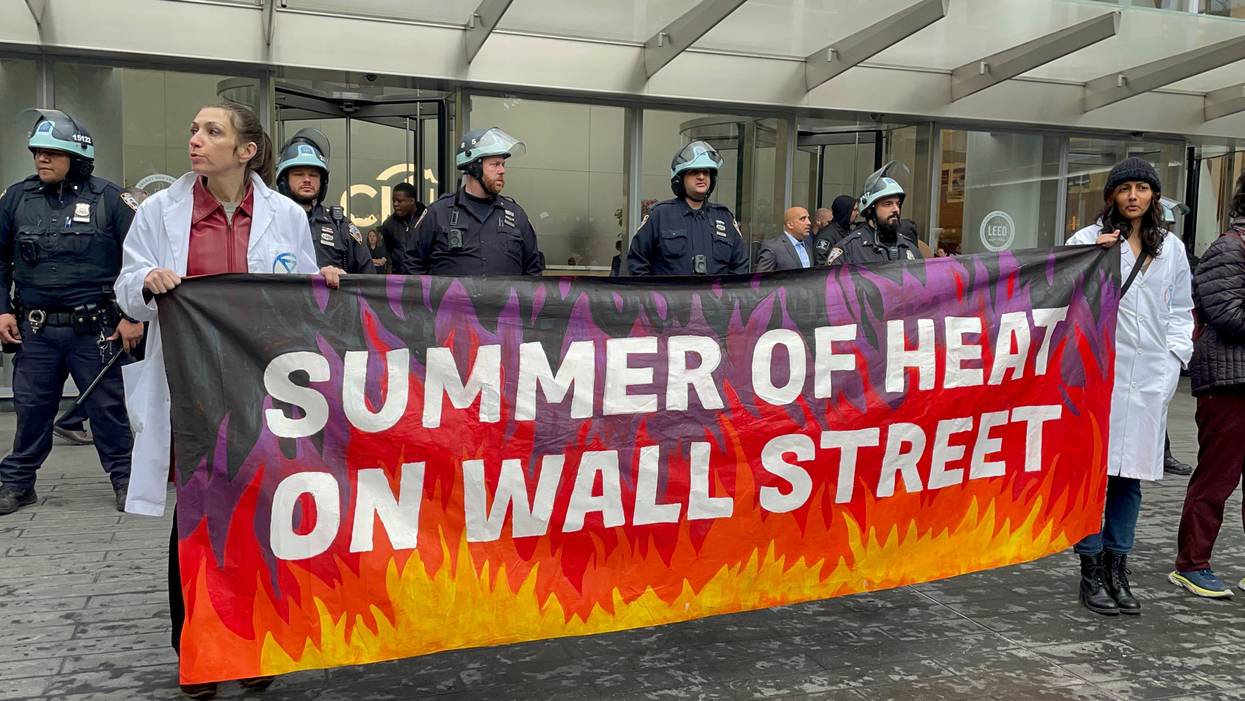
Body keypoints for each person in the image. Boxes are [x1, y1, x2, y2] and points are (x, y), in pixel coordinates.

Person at [114, 101, 327, 699]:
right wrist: (145, 282)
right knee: (198, 521)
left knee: (261, 519)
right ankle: (199, 653)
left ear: (246, 150)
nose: (196, 140)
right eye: (193, 129)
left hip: (262, 391)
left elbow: (300, 298)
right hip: (191, 395)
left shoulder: (284, 215)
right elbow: (127, 293)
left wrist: (326, 284)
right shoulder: (161, 212)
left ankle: (254, 643)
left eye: (212, 131)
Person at [1065, 157, 1193, 616]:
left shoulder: (1171, 248)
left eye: (1142, 188)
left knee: (1129, 479)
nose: (1133, 196)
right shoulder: (1087, 240)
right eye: (1125, 189)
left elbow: (1181, 307)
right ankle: (1091, 568)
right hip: (1100, 375)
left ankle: (1119, 565)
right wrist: (1090, 258)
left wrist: (1176, 358)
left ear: (1154, 196)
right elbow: (1061, 295)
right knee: (1092, 477)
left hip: (1148, 377)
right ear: (1112, 197)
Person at [0, 109, 142, 516]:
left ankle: (126, 481)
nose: (41, 159)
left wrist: (133, 316)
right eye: (37, 152)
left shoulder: (112, 200)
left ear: (77, 157)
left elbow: (139, 262)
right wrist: (2, 310)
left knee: (108, 410)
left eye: (51, 153)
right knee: (31, 410)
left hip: (96, 329)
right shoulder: (15, 199)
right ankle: (18, 483)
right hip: (36, 330)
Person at [1168, 174, 1245, 598]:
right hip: (1229, 380)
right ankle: (1192, 563)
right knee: (1217, 477)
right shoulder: (1228, 248)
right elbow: (1228, 314)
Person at [400, 127, 543, 276]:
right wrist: (434, 298)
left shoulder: (516, 215)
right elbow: (412, 266)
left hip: (504, 300)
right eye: (494, 164)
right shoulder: (438, 213)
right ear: (473, 167)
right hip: (449, 300)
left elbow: (533, 272)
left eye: (503, 164)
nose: (502, 171)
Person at [627, 141, 749, 276]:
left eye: (706, 172)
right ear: (680, 178)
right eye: (694, 172)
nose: (701, 176)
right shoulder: (660, 215)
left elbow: (740, 268)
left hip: (714, 297)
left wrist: (726, 296)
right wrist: (655, 296)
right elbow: (636, 264)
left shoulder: (724, 218)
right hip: (671, 296)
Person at [275, 128, 374, 274]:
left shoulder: (341, 225)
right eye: (299, 174)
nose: (307, 180)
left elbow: (368, 279)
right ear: (284, 180)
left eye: (313, 175)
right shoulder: (269, 221)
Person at [827, 166, 924, 265]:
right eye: (888, 204)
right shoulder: (849, 249)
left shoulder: (909, 247)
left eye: (898, 203)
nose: (896, 209)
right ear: (870, 209)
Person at [382, 182, 424, 274]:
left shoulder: (428, 219)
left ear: (412, 201)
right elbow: (390, 252)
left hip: (425, 279)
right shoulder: (388, 225)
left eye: (399, 201)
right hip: (399, 280)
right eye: (394, 201)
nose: (395, 204)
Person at [756, 207, 815, 272]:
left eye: (808, 218)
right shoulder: (773, 247)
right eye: (802, 219)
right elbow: (761, 279)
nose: (809, 222)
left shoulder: (808, 246)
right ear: (789, 225)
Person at [813, 195, 855, 264]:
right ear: (845, 211)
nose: (857, 213)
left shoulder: (849, 231)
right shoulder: (826, 235)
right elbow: (820, 264)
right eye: (854, 210)